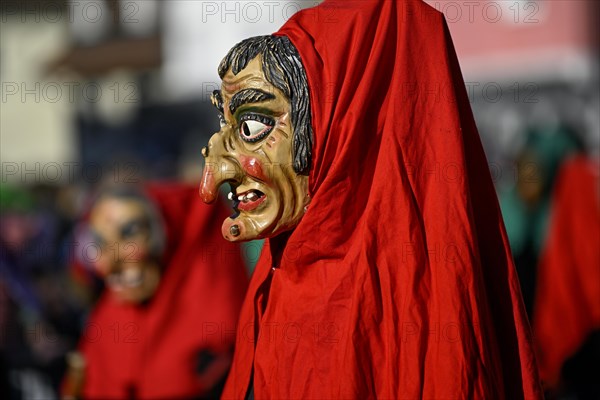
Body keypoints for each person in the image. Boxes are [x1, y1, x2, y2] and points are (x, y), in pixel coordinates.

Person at [200, 0, 542, 398]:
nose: (215, 178)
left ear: (340, 130)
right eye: (225, 124)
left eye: (253, 125)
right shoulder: (276, 283)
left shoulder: (419, 300)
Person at [63, 183, 248, 399]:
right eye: (99, 241)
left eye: (129, 233)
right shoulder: (104, 325)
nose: (106, 264)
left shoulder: (211, 333)